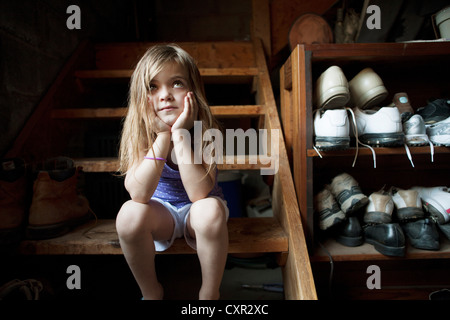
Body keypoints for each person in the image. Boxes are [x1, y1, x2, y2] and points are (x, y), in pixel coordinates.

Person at [116, 44, 229, 300]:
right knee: (128, 215)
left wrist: (179, 134)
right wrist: (163, 136)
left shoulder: (206, 131)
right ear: (141, 97)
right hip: (160, 213)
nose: (165, 95)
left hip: (198, 216)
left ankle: (209, 293)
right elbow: (138, 194)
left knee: (209, 209)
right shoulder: (140, 133)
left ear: (193, 90)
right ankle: (151, 292)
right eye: (153, 87)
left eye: (176, 83)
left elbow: (200, 193)